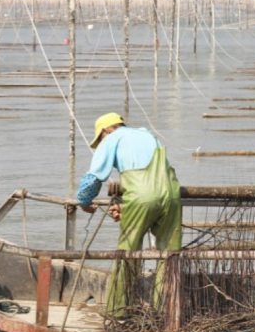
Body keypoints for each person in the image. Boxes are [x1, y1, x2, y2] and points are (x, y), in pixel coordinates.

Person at [75, 113, 181, 316]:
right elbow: (156, 181)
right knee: (169, 254)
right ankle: (166, 311)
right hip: (172, 195)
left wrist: (84, 202)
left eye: (100, 139)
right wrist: (126, 206)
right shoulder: (148, 136)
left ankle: (120, 311)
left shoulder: (112, 139)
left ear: (107, 130)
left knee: (127, 252)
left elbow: (93, 178)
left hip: (142, 197)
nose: (101, 142)